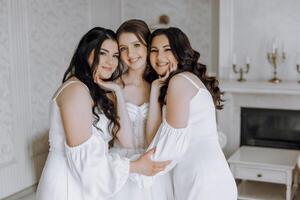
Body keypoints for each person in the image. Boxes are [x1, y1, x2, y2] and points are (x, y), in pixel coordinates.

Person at [36, 27, 170, 200]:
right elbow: (86, 162)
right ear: (86, 52)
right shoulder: (76, 91)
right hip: (68, 184)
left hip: (81, 179)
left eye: (115, 55)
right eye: (103, 53)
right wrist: (134, 167)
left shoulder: (87, 88)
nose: (110, 62)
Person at [140, 27, 238, 199]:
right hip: (192, 174)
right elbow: (153, 139)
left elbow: (170, 143)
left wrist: (135, 170)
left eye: (167, 50)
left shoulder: (179, 81)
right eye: (154, 51)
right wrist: (155, 88)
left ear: (180, 52)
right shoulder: (177, 82)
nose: (160, 57)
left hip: (202, 177)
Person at [107, 19, 173, 200]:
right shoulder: (112, 87)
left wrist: (155, 90)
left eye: (136, 45)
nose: (131, 53)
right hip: (124, 165)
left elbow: (153, 138)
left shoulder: (162, 86)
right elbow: (124, 141)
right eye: (123, 48)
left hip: (152, 164)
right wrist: (118, 92)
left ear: (148, 45)